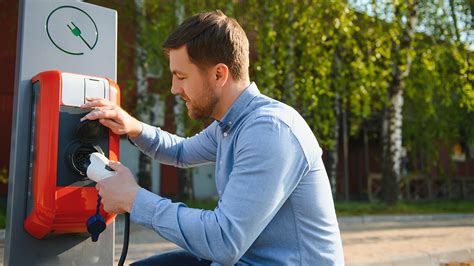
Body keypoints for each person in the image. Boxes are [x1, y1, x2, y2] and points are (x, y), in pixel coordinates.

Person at [81, 10, 344, 265]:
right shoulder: (230, 124)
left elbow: (223, 240)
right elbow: (181, 152)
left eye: (181, 76)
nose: (174, 89)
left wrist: (133, 199)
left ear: (219, 74)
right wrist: (133, 127)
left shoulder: (270, 130)